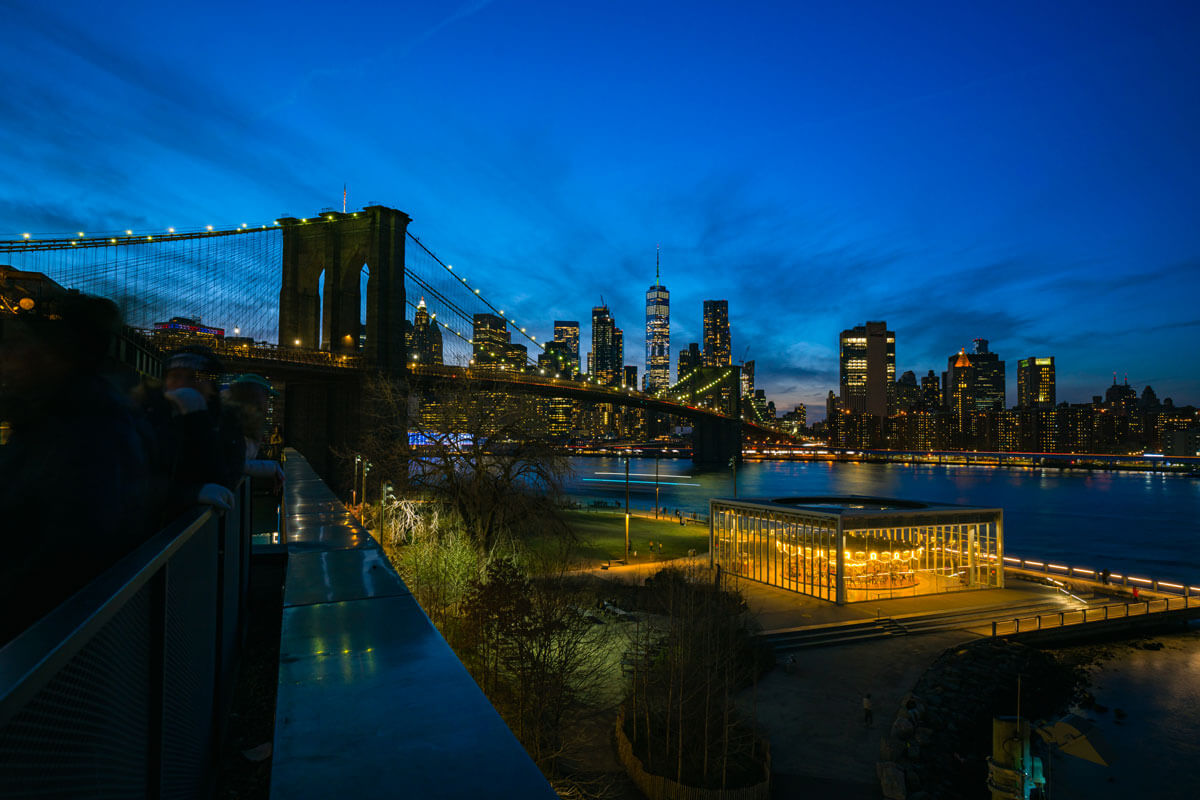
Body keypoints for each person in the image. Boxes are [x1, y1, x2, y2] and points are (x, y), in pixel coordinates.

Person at [1, 292, 152, 643]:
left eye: (18, 347)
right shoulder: (51, 415)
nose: (7, 359)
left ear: (54, 356)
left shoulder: (86, 426)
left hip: (46, 641)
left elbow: (69, 547)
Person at [223, 373, 284, 493]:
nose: (267, 405)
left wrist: (271, 467)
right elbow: (229, 463)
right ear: (254, 398)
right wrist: (270, 468)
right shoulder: (229, 425)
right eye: (266, 398)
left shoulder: (243, 424)